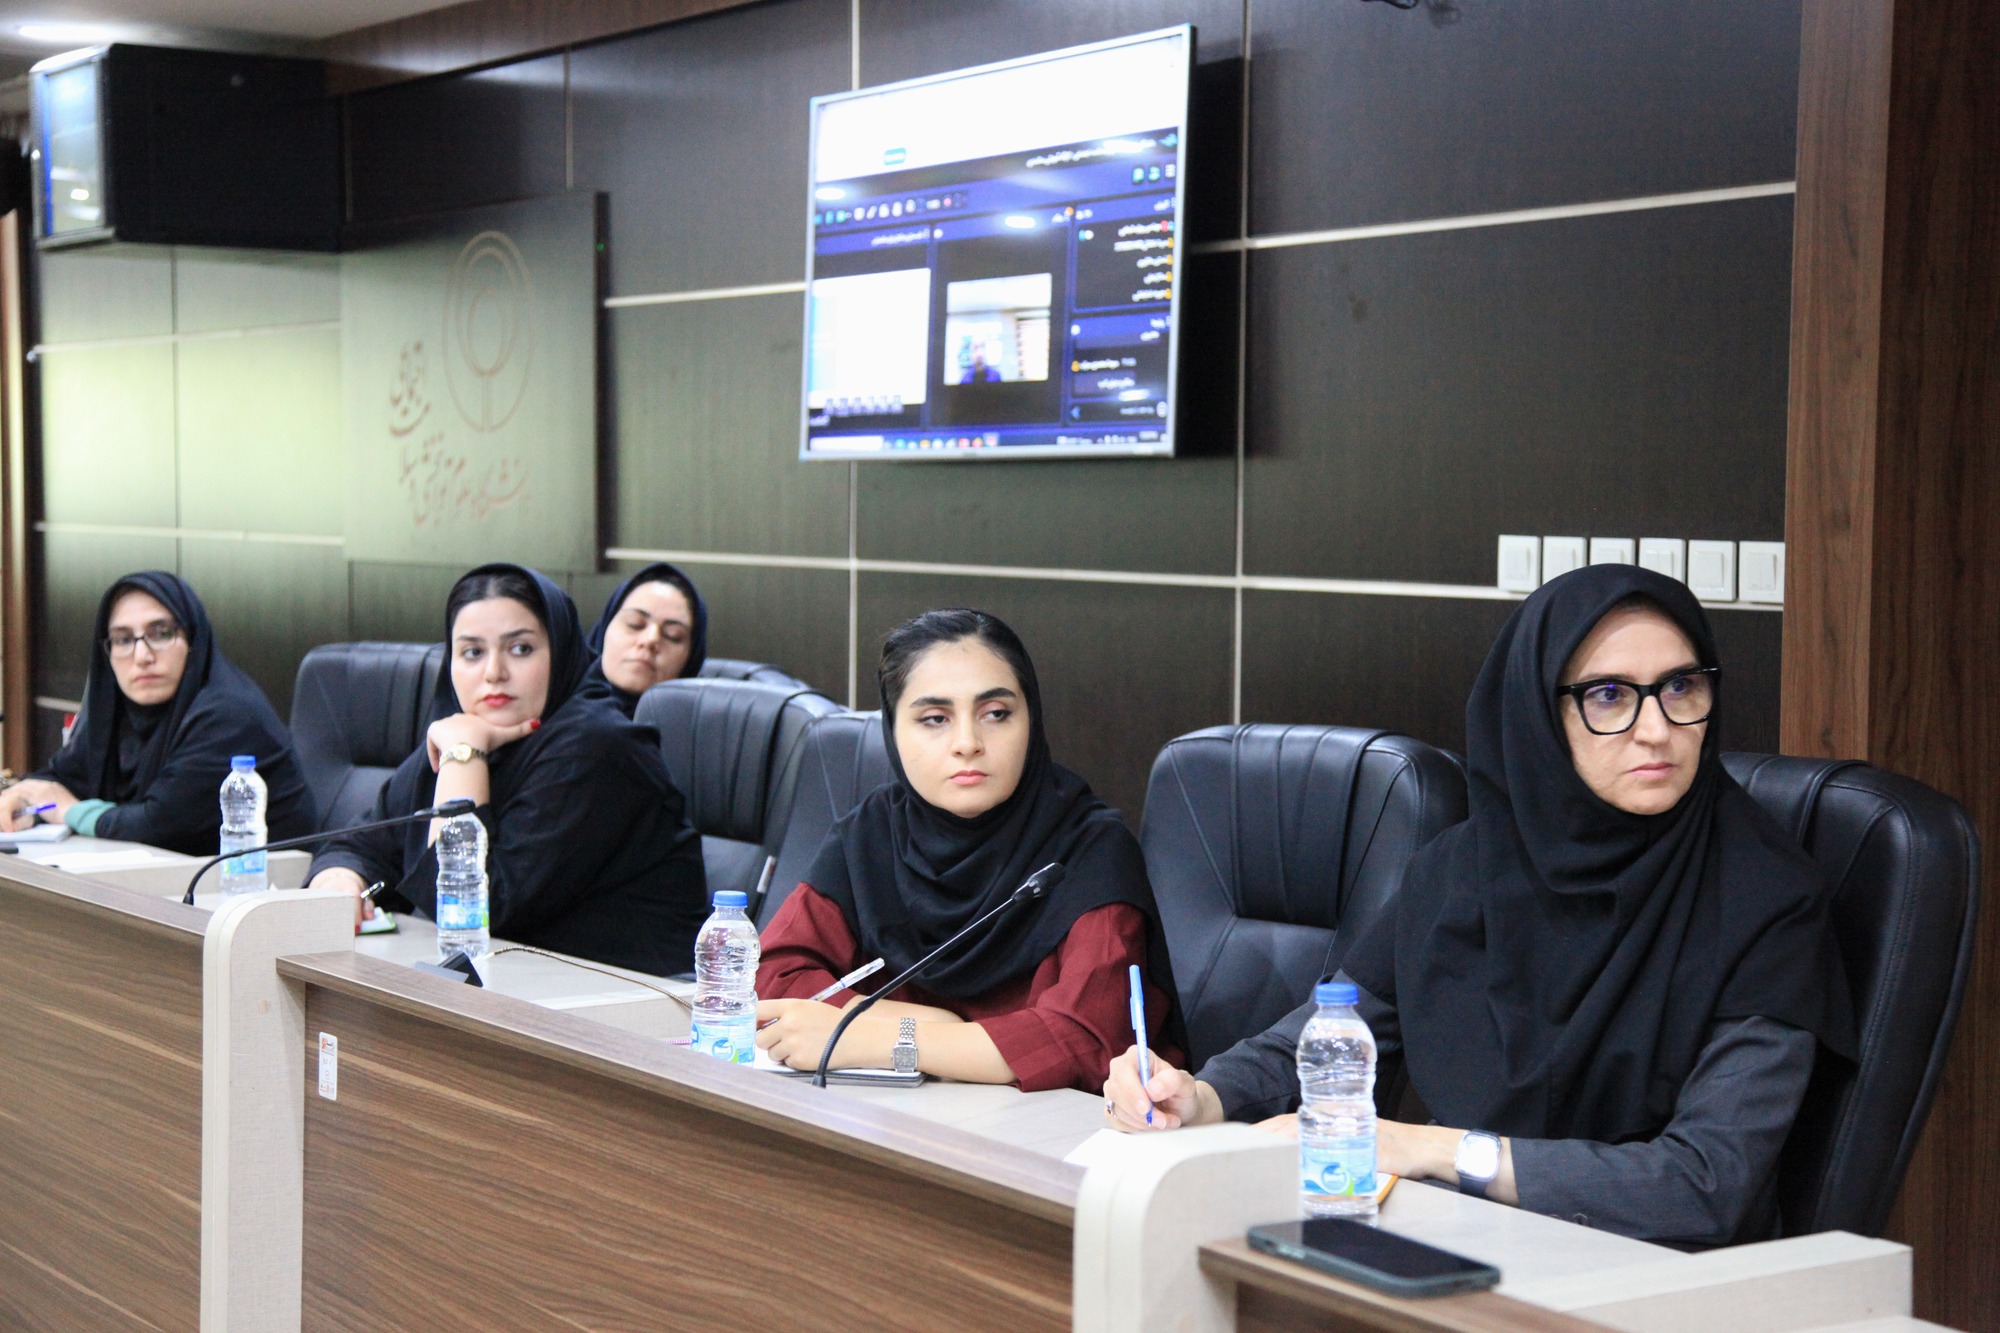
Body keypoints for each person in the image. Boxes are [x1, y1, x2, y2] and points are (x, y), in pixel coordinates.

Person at [1103, 565, 1856, 1249]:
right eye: (1609, 695)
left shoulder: (1766, 900)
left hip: (1656, 1279)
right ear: (1536, 716)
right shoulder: (1465, 870)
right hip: (1469, 1243)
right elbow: (1332, 1031)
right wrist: (1199, 1096)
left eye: (1681, 687)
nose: (1657, 729)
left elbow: (1707, 1185)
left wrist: (1434, 1148)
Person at [755, 608, 1180, 1092]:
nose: (967, 743)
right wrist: (936, 1025)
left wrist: (879, 1038)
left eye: (995, 714)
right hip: (885, 1117)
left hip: (1042, 1126)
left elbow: (1088, 1040)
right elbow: (775, 977)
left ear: (1031, 718)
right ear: (893, 730)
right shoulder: (872, 832)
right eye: (935, 719)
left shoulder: (1089, 849)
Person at [306, 563, 707, 975]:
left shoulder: (601, 747)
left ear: (560, 652)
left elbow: (477, 909)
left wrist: (464, 757)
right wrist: (340, 880)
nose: (494, 673)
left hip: (633, 998)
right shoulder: (466, 732)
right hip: (526, 989)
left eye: (520, 649)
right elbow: (360, 842)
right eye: (472, 653)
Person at [0, 571, 314, 855]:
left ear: (192, 639)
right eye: (124, 639)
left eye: (161, 633)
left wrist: (68, 810)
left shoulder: (229, 715)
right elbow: (63, 779)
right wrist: (24, 802)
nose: (142, 656)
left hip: (261, 888)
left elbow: (157, 825)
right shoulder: (114, 712)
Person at [577, 562, 707, 715]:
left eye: (672, 635)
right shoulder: (557, 710)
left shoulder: (702, 728)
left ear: (691, 659)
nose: (650, 640)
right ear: (604, 629)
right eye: (635, 624)